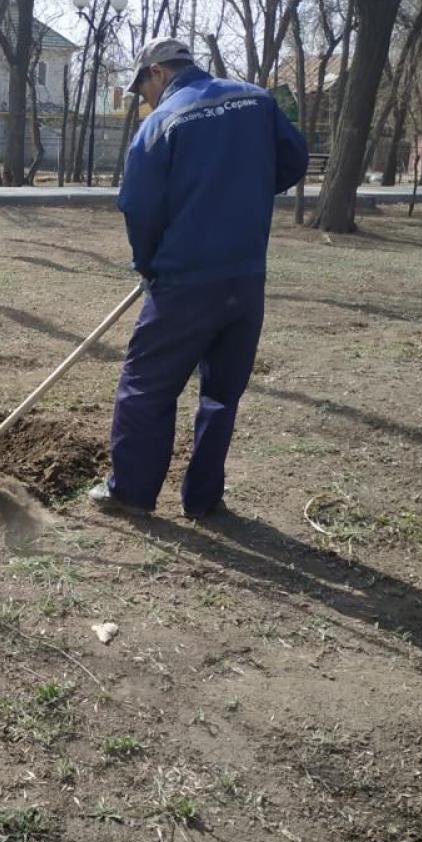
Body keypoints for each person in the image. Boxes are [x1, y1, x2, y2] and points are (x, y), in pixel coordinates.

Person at [90, 39, 309, 519]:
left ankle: (131, 494)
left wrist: (148, 263)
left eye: (143, 89)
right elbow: (295, 159)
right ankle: (204, 499)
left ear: (158, 73)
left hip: (184, 282)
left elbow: (138, 206)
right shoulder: (256, 99)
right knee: (221, 394)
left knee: (145, 387)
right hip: (246, 277)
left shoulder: (161, 123)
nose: (145, 100)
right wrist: (242, 192)